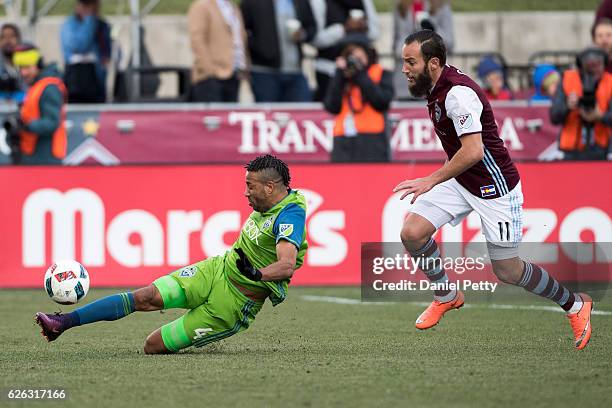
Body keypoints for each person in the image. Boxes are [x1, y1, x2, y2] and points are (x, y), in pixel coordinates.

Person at [396, 30, 593, 349]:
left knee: (507, 270)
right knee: (412, 233)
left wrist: (431, 179)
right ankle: (446, 294)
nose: (404, 68)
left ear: (432, 63)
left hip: (494, 186)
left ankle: (574, 304)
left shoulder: (457, 94)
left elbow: (474, 151)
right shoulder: (435, 86)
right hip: (463, 180)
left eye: (410, 62)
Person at [35, 155, 309, 354]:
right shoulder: (269, 204)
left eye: (251, 186)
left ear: (270, 188)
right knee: (145, 296)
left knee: (152, 346)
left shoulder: (290, 214)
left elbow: (286, 265)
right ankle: (63, 322)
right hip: (216, 270)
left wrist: (257, 274)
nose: (245, 192)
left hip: (234, 303)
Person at [323, 33, 393, 162]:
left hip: (372, 140)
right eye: (350, 54)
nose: (354, 59)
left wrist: (360, 75)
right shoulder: (341, 77)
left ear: (367, 54)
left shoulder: (381, 73)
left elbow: (382, 101)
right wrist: (339, 76)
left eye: (358, 54)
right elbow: (332, 106)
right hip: (343, 140)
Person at [241, 0, 317, 102]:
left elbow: (311, 27)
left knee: (301, 112)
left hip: (295, 70)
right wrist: (260, 48)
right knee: (269, 114)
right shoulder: (252, 2)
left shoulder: (300, 2)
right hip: (264, 72)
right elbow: (242, 30)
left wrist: (303, 35)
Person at [6, 44, 67, 165]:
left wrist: (25, 126)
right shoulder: (36, 87)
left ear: (38, 65)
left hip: (45, 157)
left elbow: (52, 122)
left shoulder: (49, 87)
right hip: (33, 154)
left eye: (27, 67)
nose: (23, 73)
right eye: (21, 68)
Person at [310, 0, 380, 102]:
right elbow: (315, 39)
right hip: (328, 71)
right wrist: (344, 29)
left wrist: (363, 27)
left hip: (360, 71)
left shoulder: (364, 2)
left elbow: (375, 33)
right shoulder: (320, 2)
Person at [550, 48, 611, 161]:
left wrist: (600, 116)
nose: (594, 70)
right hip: (571, 152)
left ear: (604, 65)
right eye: (589, 66)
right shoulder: (567, 78)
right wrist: (567, 106)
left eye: (597, 65)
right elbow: (554, 117)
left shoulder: (610, 82)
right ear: (581, 66)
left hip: (602, 150)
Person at [187, 0, 247, 103]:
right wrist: (210, 70)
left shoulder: (233, 8)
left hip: (233, 74)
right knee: (212, 117)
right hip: (212, 77)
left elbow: (240, 38)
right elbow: (197, 41)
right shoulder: (202, 6)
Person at [60, 0, 111, 103]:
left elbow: (107, 51)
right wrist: (89, 21)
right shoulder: (69, 24)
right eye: (84, 4)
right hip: (75, 78)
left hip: (96, 79)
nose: (88, 8)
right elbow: (80, 45)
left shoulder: (102, 25)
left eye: (91, 4)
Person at [0, 23, 25, 102]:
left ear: (18, 39)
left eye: (12, 36)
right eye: (3, 37)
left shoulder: (26, 62)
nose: (8, 40)